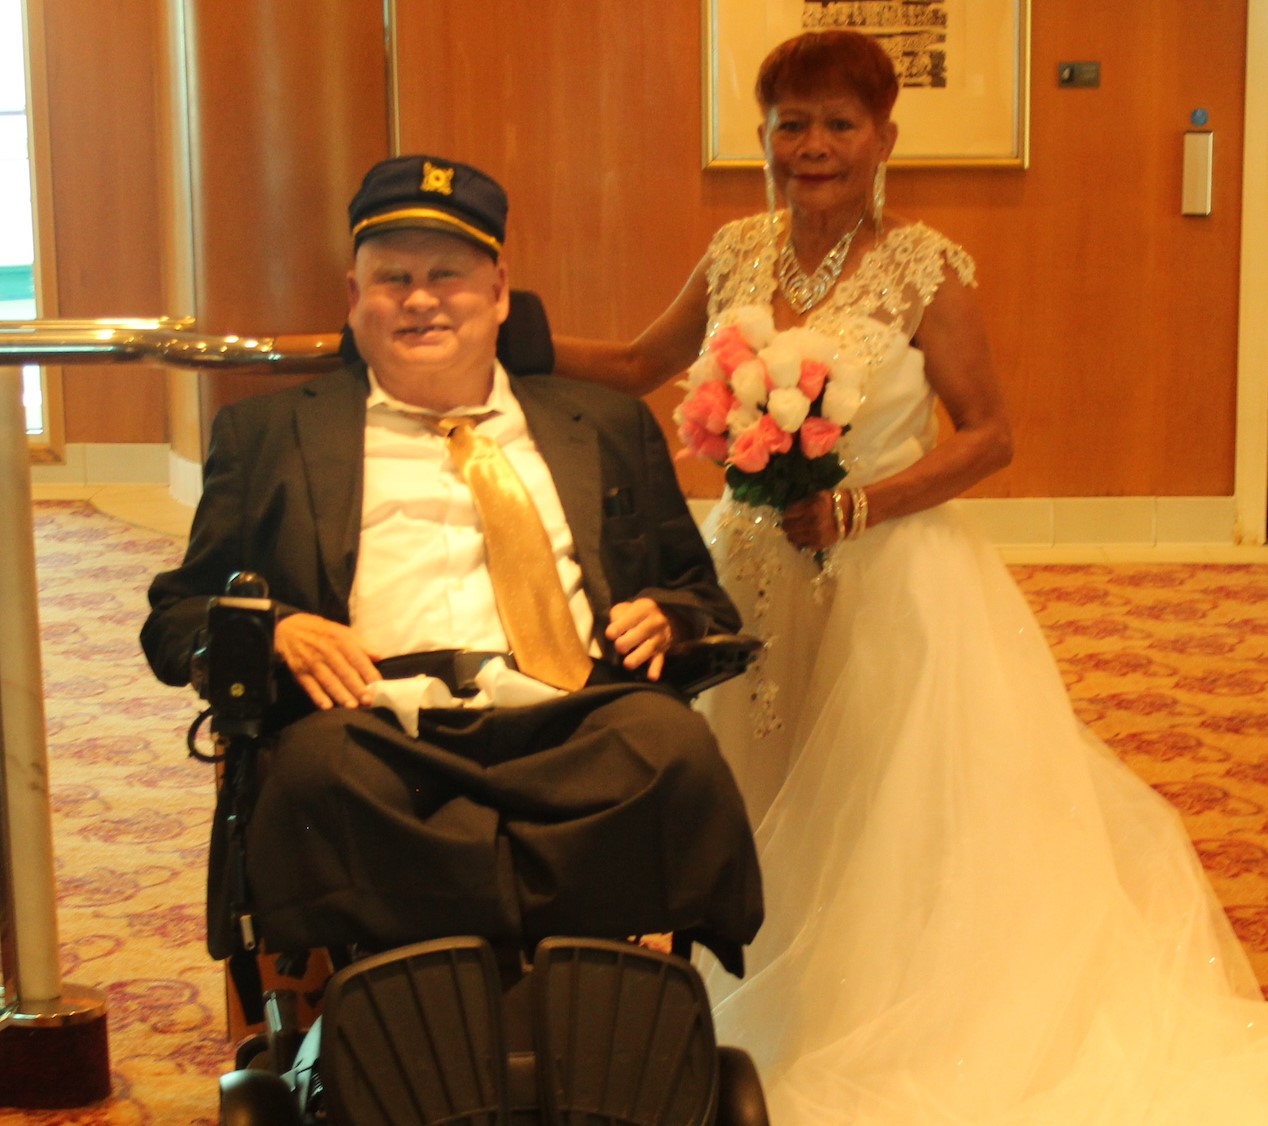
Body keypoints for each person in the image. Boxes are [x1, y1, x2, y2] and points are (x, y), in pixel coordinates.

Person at [553, 29, 1268, 1125]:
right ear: (763, 136)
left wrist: (857, 503)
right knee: (744, 773)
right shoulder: (737, 248)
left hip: (891, 574)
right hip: (745, 564)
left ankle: (851, 1005)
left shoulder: (922, 266)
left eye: (839, 124)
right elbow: (643, 366)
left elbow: (989, 435)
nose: (814, 146)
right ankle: (726, 980)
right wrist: (498, 335)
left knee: (873, 802)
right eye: (791, 123)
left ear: (884, 137)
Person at [140, 154, 762, 979]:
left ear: (500, 292)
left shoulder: (605, 426)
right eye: (391, 278)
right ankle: (427, 1019)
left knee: (673, 751)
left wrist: (673, 616)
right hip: (373, 723)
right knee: (313, 779)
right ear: (353, 299)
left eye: (448, 274)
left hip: (575, 713)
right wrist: (279, 630)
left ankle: (599, 1013)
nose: (421, 298)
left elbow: (700, 597)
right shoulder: (267, 437)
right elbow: (178, 616)